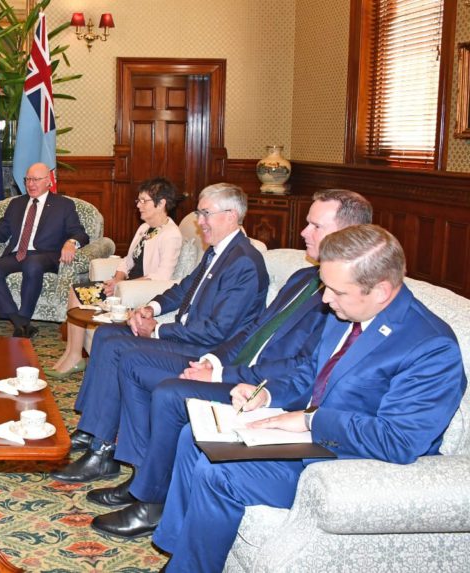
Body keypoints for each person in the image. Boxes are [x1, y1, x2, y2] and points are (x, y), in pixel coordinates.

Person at [152, 224, 467, 572]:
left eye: (336, 291)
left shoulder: (430, 347)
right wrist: (265, 395)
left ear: (380, 291)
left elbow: (399, 440)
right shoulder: (344, 314)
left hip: (352, 462)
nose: (326, 299)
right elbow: (309, 375)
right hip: (308, 441)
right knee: (193, 436)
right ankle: (178, 554)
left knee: (219, 474)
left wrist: (308, 420)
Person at [81, 190, 373, 539]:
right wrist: (213, 362)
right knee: (123, 352)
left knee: (164, 387)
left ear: (349, 233)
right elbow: (254, 329)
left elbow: (299, 370)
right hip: (229, 362)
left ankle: (150, 498)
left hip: (259, 386)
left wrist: (218, 369)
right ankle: (132, 470)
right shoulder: (302, 279)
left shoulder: (346, 300)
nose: (303, 232)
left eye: (314, 225)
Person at [52, 182, 268, 483]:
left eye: (206, 214)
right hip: (188, 336)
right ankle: (93, 430)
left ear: (231, 216)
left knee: (119, 349)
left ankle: (103, 451)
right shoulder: (218, 252)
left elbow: (217, 330)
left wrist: (157, 331)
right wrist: (151, 308)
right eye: (199, 213)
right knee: (105, 335)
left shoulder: (243, 262)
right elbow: (181, 289)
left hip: (206, 353)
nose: (199, 221)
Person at [47, 177, 183, 377]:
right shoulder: (145, 228)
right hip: (124, 286)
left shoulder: (171, 234)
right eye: (138, 200)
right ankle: (72, 354)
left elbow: (162, 276)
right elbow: (127, 260)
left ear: (161, 203)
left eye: (144, 201)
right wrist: (118, 278)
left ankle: (74, 357)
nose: (138, 205)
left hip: (138, 293)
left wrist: (123, 285)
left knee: (81, 294)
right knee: (76, 291)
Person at [0, 162, 90, 339]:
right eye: (28, 179)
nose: (31, 184)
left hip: (47, 255)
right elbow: (0, 232)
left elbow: (80, 232)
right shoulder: (16, 204)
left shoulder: (63, 205)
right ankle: (20, 323)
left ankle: (23, 318)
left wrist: (71, 242)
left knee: (33, 263)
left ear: (49, 181)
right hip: (18, 254)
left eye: (36, 179)